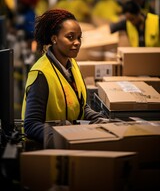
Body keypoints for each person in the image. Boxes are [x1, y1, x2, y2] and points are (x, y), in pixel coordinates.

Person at [21, 9, 108, 149]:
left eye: (79, 37)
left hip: (71, 139)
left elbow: (80, 106)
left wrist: (102, 121)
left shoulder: (72, 64)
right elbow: (31, 125)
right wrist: (62, 140)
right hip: (47, 151)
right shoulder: (41, 74)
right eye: (70, 37)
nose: (77, 42)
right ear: (54, 38)